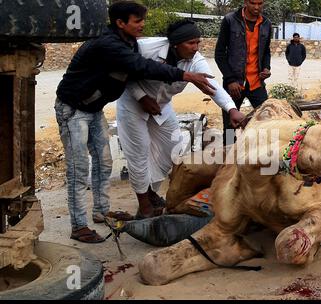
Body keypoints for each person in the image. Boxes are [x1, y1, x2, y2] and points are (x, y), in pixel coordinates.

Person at [55, 1, 216, 243]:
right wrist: (185, 75)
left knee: (104, 163)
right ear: (120, 23)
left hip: (93, 108)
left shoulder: (128, 42)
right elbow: (141, 66)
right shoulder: (109, 45)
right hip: (73, 110)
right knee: (79, 170)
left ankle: (100, 211)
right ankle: (78, 226)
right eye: (137, 21)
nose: (143, 25)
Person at [116, 19, 246, 219]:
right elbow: (125, 71)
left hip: (162, 106)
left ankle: (149, 191)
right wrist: (140, 97)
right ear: (176, 43)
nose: (196, 48)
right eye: (191, 43)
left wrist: (231, 110)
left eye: (198, 43)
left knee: (172, 149)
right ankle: (144, 205)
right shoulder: (145, 47)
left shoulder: (196, 60)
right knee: (139, 153)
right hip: (133, 104)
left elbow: (212, 86)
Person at [215, 0, 272, 145]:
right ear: (246, 2)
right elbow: (219, 54)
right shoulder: (230, 20)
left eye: (260, 3)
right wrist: (230, 80)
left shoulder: (266, 24)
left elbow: (266, 51)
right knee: (229, 127)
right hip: (234, 84)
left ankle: (261, 157)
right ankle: (227, 161)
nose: (257, 7)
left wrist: (266, 68)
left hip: (256, 83)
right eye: (253, 3)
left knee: (267, 120)